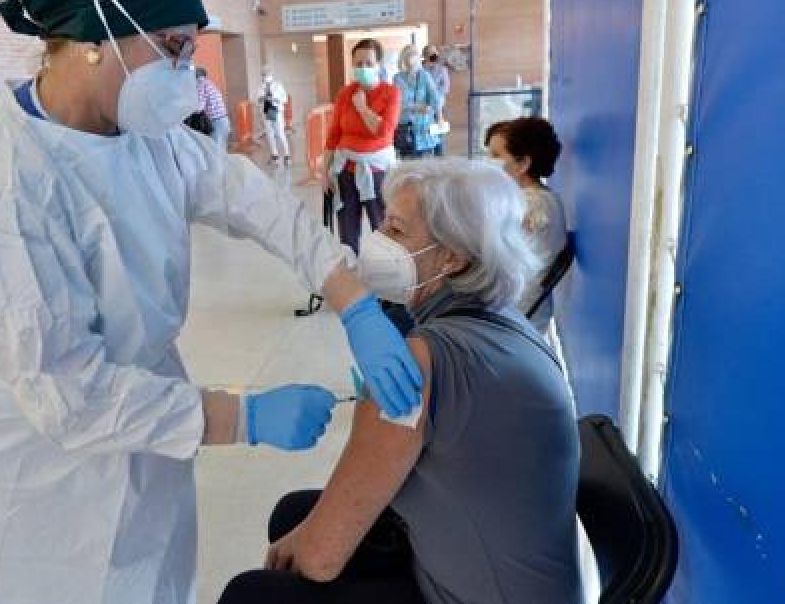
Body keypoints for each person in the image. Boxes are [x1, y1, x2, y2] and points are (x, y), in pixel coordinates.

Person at [0, 0, 423, 604]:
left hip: (145, 433)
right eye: (174, 48)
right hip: (32, 486)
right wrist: (245, 418)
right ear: (95, 39)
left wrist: (351, 297)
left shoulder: (142, 138)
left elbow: (255, 201)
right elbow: (70, 397)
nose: (186, 71)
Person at [219, 158, 583, 604]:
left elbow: (320, 557)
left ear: (451, 257)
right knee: (294, 513)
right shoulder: (509, 322)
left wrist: (304, 541)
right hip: (527, 580)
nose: (375, 242)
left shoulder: (418, 359)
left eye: (395, 229)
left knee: (253, 594)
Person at [485, 117, 568, 332]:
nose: (488, 162)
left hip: (509, 318)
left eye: (496, 155)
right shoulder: (537, 199)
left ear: (523, 164)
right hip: (511, 311)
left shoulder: (531, 205)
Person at [323, 39, 400, 255]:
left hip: (376, 173)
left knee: (382, 226)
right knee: (347, 231)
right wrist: (324, 173)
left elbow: (384, 130)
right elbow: (333, 135)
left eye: (368, 63)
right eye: (358, 64)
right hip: (345, 171)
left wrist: (363, 108)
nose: (363, 68)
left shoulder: (391, 93)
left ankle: (387, 270)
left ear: (378, 65)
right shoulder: (345, 93)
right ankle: (352, 271)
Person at [392, 45, 441, 160]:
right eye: (408, 56)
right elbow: (399, 102)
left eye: (413, 56)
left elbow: (435, 97)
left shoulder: (425, 75)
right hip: (405, 127)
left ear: (418, 58)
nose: (411, 59)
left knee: (426, 165)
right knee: (407, 163)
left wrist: (439, 116)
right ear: (403, 59)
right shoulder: (398, 78)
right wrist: (417, 107)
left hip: (424, 127)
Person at [259, 65, 291, 166]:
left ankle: (287, 155)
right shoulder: (261, 86)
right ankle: (274, 155)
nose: (265, 75)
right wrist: (263, 98)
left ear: (271, 74)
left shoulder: (278, 85)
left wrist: (275, 99)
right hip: (266, 111)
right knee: (270, 134)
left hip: (276, 110)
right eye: (263, 74)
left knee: (280, 133)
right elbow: (258, 99)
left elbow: (285, 99)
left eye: (267, 73)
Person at [421, 46, 450, 156]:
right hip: (423, 106)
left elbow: (446, 88)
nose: (433, 54)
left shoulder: (442, 69)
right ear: (424, 55)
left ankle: (439, 156)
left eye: (434, 52)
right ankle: (427, 155)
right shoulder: (420, 69)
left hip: (438, 106)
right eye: (429, 53)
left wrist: (434, 96)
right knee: (425, 133)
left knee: (438, 132)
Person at [195, 66, 231, 148]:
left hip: (216, 123)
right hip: (224, 121)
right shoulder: (210, 84)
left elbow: (199, 107)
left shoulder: (200, 84)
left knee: (215, 152)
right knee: (221, 151)